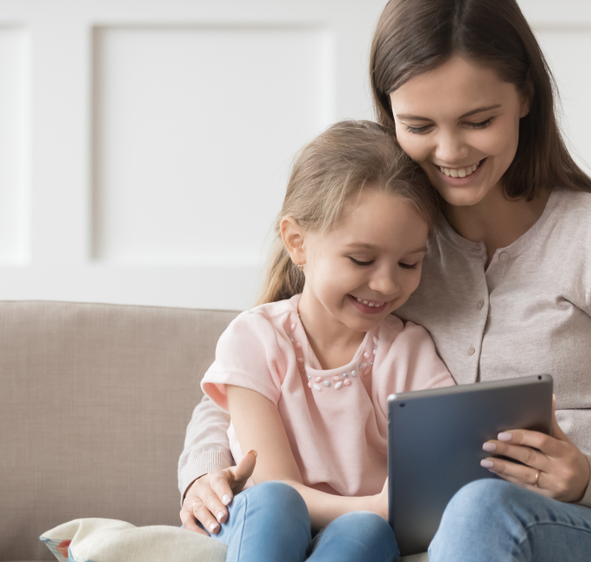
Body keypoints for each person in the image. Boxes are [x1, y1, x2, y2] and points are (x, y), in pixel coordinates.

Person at [180, 1, 591, 560]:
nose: (451, 151)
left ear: (526, 97)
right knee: (468, 512)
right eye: (418, 126)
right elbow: (255, 372)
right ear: (391, 115)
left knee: (481, 506)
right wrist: (203, 474)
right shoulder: (395, 247)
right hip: (462, 542)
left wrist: (586, 476)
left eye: (478, 121)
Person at [191, 120, 455, 562]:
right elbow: (276, 485)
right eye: (361, 259)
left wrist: (378, 513)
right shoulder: (255, 339)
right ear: (297, 242)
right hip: (266, 526)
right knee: (276, 503)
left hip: (358, 534)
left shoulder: (408, 352)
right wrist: (377, 506)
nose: (387, 284)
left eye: (409, 263)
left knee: (367, 530)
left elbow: (438, 463)